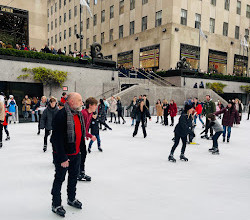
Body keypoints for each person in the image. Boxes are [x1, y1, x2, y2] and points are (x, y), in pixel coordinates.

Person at [50, 93, 84, 217]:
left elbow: (81, 134)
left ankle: (71, 198)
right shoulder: (61, 115)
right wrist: (63, 157)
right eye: (79, 100)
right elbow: (56, 139)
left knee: (73, 177)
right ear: (71, 102)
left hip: (76, 153)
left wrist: (81, 151)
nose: (82, 102)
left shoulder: (78, 114)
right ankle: (56, 204)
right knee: (59, 179)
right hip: (63, 155)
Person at [78, 97, 98, 182]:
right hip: (77, 137)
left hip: (82, 136)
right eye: (95, 105)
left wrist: (86, 134)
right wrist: (90, 136)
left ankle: (80, 172)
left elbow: (85, 127)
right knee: (80, 155)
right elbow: (81, 128)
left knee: (83, 154)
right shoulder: (84, 113)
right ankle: (79, 173)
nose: (96, 107)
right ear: (90, 105)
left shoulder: (90, 113)